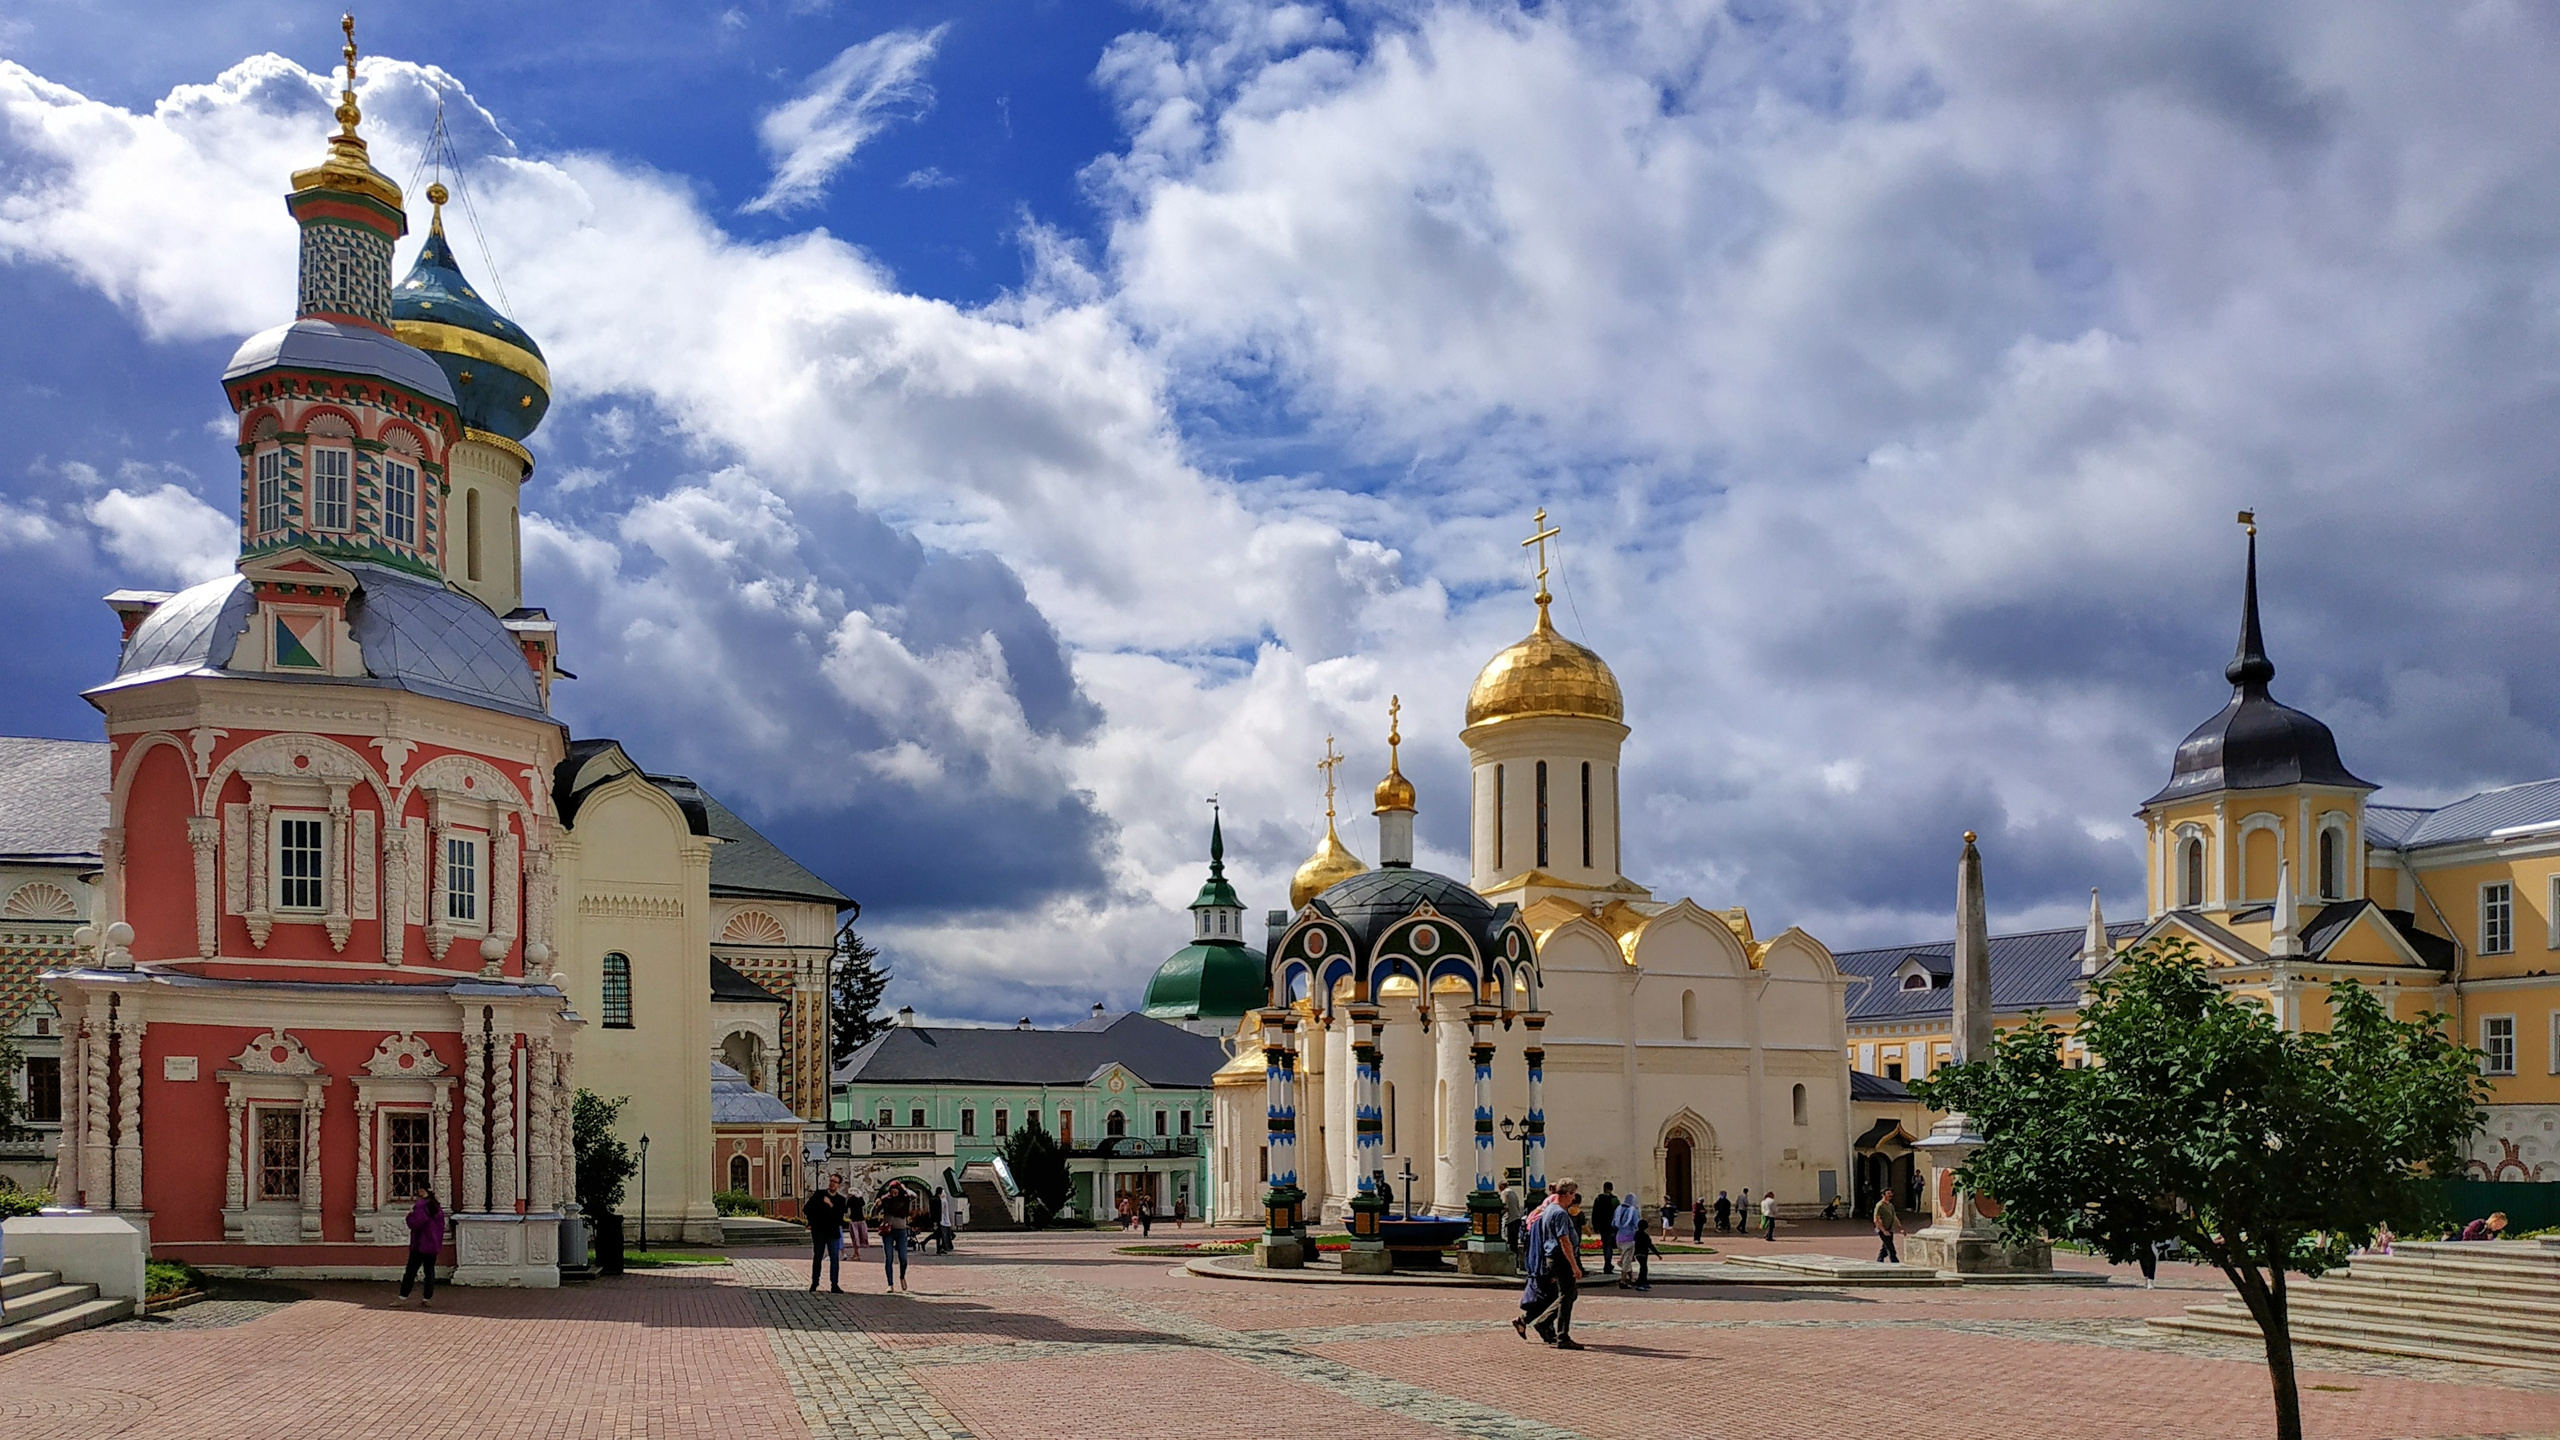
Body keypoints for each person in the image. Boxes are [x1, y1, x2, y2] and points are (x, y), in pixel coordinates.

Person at [1515, 1178, 1586, 1349]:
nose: (1573, 1199)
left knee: (1568, 1294)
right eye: (1573, 1194)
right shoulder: (1560, 1213)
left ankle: (1543, 1322)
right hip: (1561, 1258)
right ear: (1567, 1194)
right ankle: (1561, 1335)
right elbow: (1564, 1241)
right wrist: (1575, 1266)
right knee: (1566, 1297)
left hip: (1552, 1258)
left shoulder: (1549, 1209)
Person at [398, 1189, 444, 1304]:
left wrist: (409, 1216)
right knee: (429, 1271)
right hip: (433, 1244)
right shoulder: (437, 1207)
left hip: (420, 1244)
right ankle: (427, 1298)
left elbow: (415, 1223)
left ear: (421, 1191)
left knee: (411, 1272)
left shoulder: (421, 1206)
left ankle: (402, 1297)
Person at [806, 1174, 850, 1292]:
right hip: (819, 1232)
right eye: (831, 1181)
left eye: (835, 1182)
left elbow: (839, 1217)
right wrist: (812, 1222)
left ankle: (834, 1284)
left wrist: (830, 1205)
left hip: (833, 1232)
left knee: (834, 1258)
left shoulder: (841, 1200)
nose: (832, 1184)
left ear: (839, 1185)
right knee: (818, 1257)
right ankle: (815, 1283)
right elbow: (807, 1209)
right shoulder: (819, 1195)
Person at [877, 1186, 915, 1291]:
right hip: (887, 1231)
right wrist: (877, 1205)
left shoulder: (904, 1199)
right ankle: (890, 1284)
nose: (893, 1195)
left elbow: (914, 1195)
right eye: (892, 1192)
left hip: (901, 1231)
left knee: (903, 1258)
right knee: (889, 1258)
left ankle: (902, 1277)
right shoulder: (886, 1199)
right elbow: (876, 1210)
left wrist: (904, 1187)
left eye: (896, 1193)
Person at [1593, 1182, 1620, 1274]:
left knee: (1606, 1245)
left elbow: (1594, 1213)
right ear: (1611, 1189)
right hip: (1611, 1225)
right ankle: (1607, 1265)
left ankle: (1607, 1264)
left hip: (1601, 1225)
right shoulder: (1614, 1200)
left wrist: (1595, 1225)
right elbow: (1618, 1213)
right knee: (1609, 1246)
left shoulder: (1598, 1198)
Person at [1873, 1194, 1900, 1264]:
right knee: (1890, 1247)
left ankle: (1879, 1260)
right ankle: (1895, 1262)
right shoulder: (1880, 1205)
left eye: (1891, 1193)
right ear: (1883, 1195)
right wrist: (1883, 1230)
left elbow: (1894, 1217)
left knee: (1885, 1247)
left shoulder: (1890, 1205)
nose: (1890, 1195)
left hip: (1890, 1229)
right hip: (1882, 1230)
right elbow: (1876, 1219)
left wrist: (1901, 1228)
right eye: (1888, 1193)